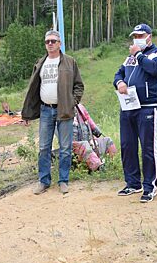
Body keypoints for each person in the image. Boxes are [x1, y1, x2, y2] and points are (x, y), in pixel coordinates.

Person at [21, 30, 84, 195]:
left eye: (53, 41)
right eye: (47, 41)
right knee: (43, 147)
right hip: (45, 110)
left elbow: (79, 85)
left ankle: (63, 181)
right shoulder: (40, 63)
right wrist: (27, 113)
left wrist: (72, 102)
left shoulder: (70, 62)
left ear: (60, 43)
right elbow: (33, 90)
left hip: (64, 110)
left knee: (65, 148)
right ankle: (44, 181)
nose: (50, 44)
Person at [113, 23, 157, 203]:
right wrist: (119, 83)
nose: (137, 39)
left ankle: (150, 186)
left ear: (149, 37)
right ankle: (133, 183)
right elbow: (118, 73)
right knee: (127, 146)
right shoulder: (129, 58)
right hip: (128, 106)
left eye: (140, 35)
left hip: (147, 106)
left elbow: (156, 70)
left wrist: (138, 54)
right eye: (134, 36)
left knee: (148, 148)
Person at [72, 103, 117, 171]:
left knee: (108, 141)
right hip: (72, 146)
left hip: (87, 142)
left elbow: (89, 121)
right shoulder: (60, 110)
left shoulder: (80, 107)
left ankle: (112, 164)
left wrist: (94, 137)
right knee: (85, 144)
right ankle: (98, 168)